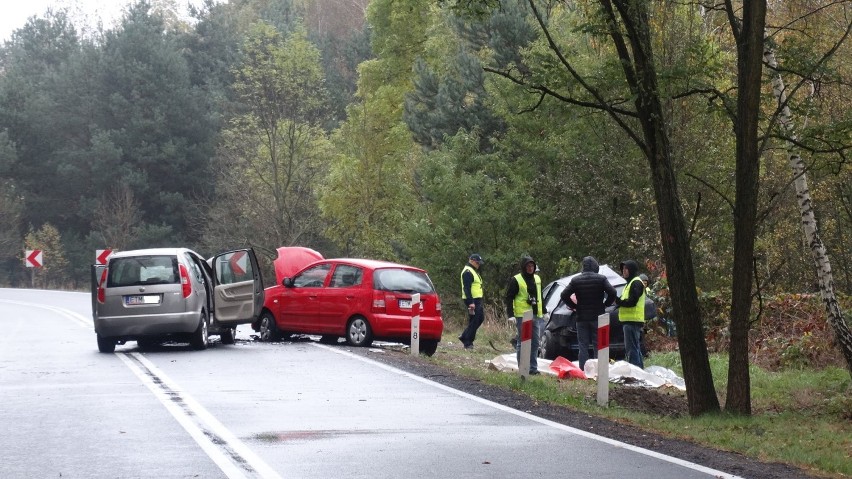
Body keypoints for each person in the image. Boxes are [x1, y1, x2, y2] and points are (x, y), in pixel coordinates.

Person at [560, 256, 617, 370]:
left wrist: (574, 306)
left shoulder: (576, 280)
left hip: (581, 317)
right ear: (595, 267)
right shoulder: (601, 279)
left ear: (583, 267)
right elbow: (613, 292)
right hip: (598, 317)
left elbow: (564, 295)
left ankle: (584, 370)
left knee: (583, 346)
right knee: (599, 345)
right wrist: (605, 304)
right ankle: (600, 369)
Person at [505, 255, 546, 375]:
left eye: (532, 266)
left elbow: (540, 296)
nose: (530, 268)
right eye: (528, 266)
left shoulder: (537, 279)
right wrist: (510, 315)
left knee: (535, 342)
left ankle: (533, 368)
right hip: (522, 315)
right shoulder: (516, 280)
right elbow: (509, 297)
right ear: (524, 267)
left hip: (535, 315)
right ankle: (522, 367)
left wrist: (544, 311)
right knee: (523, 341)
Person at [616, 259, 646, 368]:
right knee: (635, 348)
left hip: (632, 321)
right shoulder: (629, 284)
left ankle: (635, 374)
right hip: (630, 321)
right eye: (623, 269)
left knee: (632, 349)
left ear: (631, 270)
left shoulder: (636, 282)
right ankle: (639, 372)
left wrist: (618, 301)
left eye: (626, 269)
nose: (624, 271)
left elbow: (632, 302)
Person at [459, 253, 485, 349]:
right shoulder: (468, 272)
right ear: (472, 261)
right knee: (475, 320)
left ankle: (465, 336)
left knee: (478, 319)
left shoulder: (472, 271)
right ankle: (467, 341)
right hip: (472, 299)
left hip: (476, 299)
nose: (478, 265)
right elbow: (467, 288)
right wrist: (471, 302)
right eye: (477, 263)